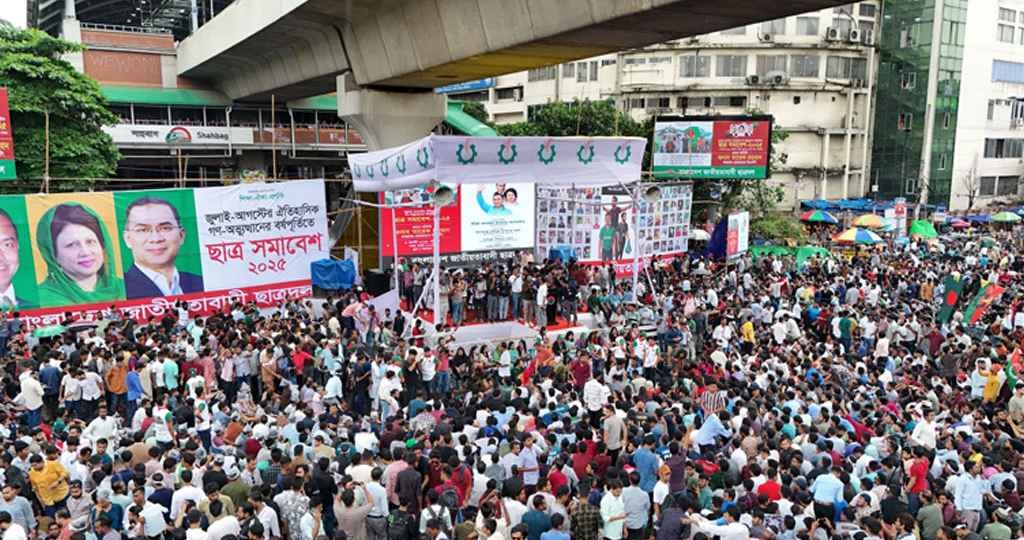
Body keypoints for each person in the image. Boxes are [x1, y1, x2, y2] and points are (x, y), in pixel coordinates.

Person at [35, 203, 125, 306]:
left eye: (90, 242)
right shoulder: (41, 298)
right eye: (72, 245)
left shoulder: (123, 287)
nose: (85, 252)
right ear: (53, 255)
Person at [122, 197, 204, 299]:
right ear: (128, 239)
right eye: (143, 230)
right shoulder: (120, 290)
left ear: (181, 235)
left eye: (165, 228)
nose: (156, 239)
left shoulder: (201, 283)